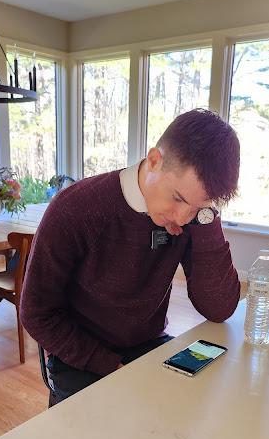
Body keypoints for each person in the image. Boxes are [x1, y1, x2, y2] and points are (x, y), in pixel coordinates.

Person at [20, 108, 241, 404]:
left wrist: (208, 218)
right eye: (177, 198)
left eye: (199, 207)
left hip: (149, 345)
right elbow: (35, 313)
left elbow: (219, 308)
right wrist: (110, 366)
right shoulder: (76, 208)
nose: (182, 217)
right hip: (80, 354)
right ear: (154, 160)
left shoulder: (194, 217)